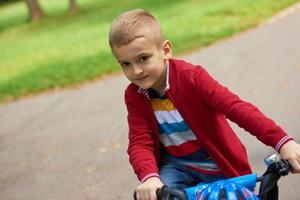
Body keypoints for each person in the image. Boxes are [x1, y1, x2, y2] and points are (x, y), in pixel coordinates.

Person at [108, 9, 300, 200]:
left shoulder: (192, 78)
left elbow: (237, 108)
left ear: (166, 50)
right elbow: (140, 141)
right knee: (157, 195)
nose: (136, 71)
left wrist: (283, 142)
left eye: (143, 58)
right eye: (125, 64)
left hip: (219, 164)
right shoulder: (134, 95)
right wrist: (149, 177)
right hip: (177, 167)